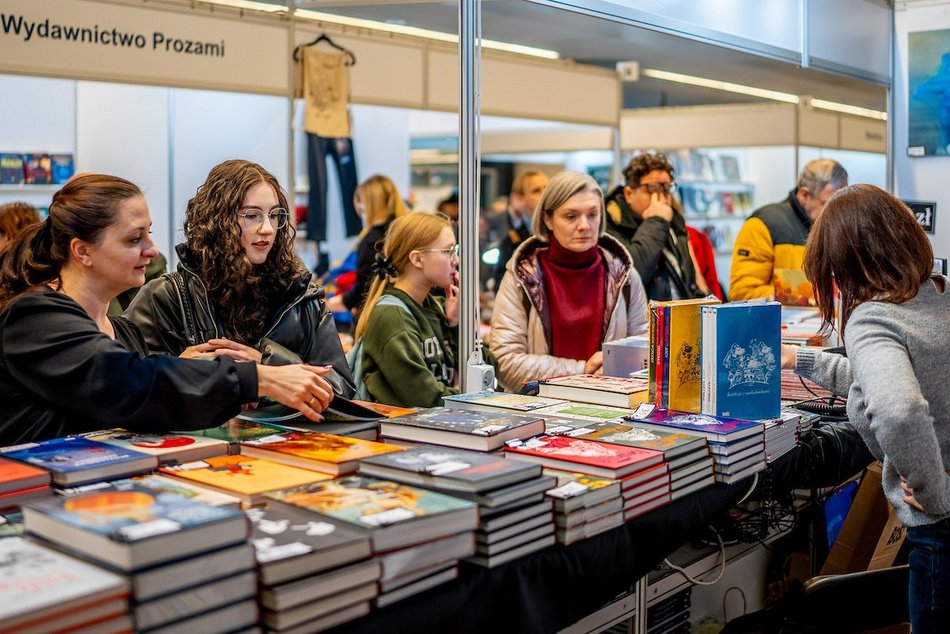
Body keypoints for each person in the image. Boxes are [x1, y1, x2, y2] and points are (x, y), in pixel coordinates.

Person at [0, 174, 335, 445]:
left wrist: (189, 372)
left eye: (149, 234)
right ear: (82, 251)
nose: (152, 250)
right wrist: (256, 377)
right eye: (134, 239)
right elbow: (129, 382)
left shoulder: (123, 331)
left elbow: (152, 397)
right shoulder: (33, 319)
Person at [781, 184, 950, 634]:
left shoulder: (874, 316)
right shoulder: (939, 292)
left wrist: (934, 494)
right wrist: (803, 360)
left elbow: (898, 408)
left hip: (941, 526)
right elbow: (894, 382)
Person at [125, 159, 354, 398]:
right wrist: (180, 369)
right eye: (252, 216)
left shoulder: (303, 298)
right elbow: (125, 389)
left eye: (275, 215)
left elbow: (342, 390)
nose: (267, 228)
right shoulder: (165, 298)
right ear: (219, 221)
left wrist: (267, 362)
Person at [489, 171, 649, 393]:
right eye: (571, 216)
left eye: (592, 214)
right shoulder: (521, 275)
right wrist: (582, 371)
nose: (584, 225)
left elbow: (647, 353)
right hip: (540, 411)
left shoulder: (625, 275)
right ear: (547, 219)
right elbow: (504, 361)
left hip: (611, 410)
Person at [353, 211, 459, 408]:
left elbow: (488, 368)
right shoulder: (392, 316)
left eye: (455, 250)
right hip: (400, 436)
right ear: (417, 259)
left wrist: (455, 324)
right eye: (447, 251)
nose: (456, 260)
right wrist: (467, 395)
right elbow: (426, 399)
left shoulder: (436, 306)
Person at [730, 158, 847, 300]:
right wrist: (807, 295)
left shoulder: (833, 229)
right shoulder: (761, 225)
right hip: (778, 321)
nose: (836, 212)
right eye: (828, 204)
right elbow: (742, 293)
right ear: (804, 195)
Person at [604, 153, 703, 301]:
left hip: (680, 318)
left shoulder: (674, 222)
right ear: (629, 194)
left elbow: (690, 280)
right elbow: (634, 274)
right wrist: (656, 221)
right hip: (644, 322)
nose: (661, 198)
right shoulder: (609, 225)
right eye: (653, 189)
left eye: (666, 189)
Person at [326, 174, 407, 316]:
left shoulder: (372, 240)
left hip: (377, 315)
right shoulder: (405, 231)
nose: (361, 214)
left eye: (362, 209)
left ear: (371, 206)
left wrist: (330, 305)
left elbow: (364, 289)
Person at [490, 171, 549, 292]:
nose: (544, 194)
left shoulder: (560, 234)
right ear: (520, 199)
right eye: (536, 191)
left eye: (547, 188)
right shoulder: (512, 241)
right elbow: (500, 287)